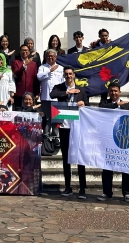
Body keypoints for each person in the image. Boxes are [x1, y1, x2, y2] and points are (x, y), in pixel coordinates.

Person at [51, 66, 87, 199]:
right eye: (66, 74)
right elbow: (52, 94)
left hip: (77, 126)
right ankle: (68, 187)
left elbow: (87, 105)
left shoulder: (81, 90)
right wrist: (67, 92)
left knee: (79, 157)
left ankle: (82, 188)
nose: (68, 76)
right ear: (64, 75)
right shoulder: (59, 87)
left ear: (74, 75)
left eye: (70, 74)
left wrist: (83, 103)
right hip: (64, 125)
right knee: (66, 157)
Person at [97, 81, 129, 202]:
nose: (113, 93)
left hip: (123, 139)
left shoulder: (127, 105)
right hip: (108, 138)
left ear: (119, 92)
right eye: (111, 91)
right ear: (108, 92)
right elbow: (102, 109)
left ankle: (127, 193)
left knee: (125, 166)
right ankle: (107, 192)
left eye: (116, 91)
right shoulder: (104, 103)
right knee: (107, 167)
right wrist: (117, 105)